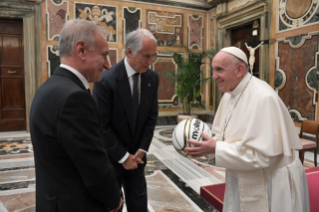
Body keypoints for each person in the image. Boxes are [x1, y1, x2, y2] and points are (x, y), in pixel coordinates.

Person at [185, 47, 310, 212]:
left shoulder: (264, 97)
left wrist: (216, 148)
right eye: (213, 70)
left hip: (270, 182)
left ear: (239, 70)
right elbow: (221, 136)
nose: (214, 76)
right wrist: (207, 147)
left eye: (219, 70)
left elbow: (265, 157)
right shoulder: (229, 95)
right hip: (242, 175)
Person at [30, 19, 122, 212]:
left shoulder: (47, 88)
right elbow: (94, 167)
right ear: (80, 50)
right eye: (104, 55)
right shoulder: (75, 98)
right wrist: (114, 199)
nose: (107, 65)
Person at [93, 28, 159, 212]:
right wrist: (123, 157)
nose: (150, 62)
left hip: (137, 158)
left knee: (139, 205)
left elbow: (151, 117)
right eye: (146, 56)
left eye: (153, 56)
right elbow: (101, 126)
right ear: (129, 51)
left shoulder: (152, 78)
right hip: (112, 159)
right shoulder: (106, 79)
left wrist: (142, 149)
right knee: (113, 206)